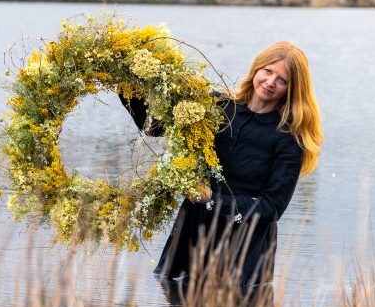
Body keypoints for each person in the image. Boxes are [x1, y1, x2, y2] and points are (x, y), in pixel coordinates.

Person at [122, 40, 322, 293]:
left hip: (245, 250)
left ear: (293, 89)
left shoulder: (289, 138)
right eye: (268, 71)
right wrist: (126, 84)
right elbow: (154, 127)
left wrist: (211, 199)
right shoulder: (218, 106)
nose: (271, 82)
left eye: (282, 80)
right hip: (191, 233)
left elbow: (272, 208)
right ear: (256, 70)